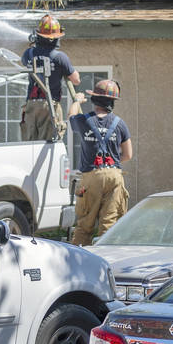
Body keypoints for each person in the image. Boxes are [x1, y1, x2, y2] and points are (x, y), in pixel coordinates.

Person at [69, 79, 132, 245]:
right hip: (114, 176)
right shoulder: (120, 124)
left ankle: (79, 263)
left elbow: (71, 117)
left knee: (84, 226)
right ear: (112, 102)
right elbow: (128, 155)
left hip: (92, 176)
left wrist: (77, 101)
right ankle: (107, 263)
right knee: (110, 227)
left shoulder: (84, 121)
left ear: (94, 99)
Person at [19, 14, 81, 141]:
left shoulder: (28, 53)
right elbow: (76, 80)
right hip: (49, 106)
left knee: (30, 144)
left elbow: (25, 62)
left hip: (31, 105)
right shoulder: (60, 57)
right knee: (48, 143)